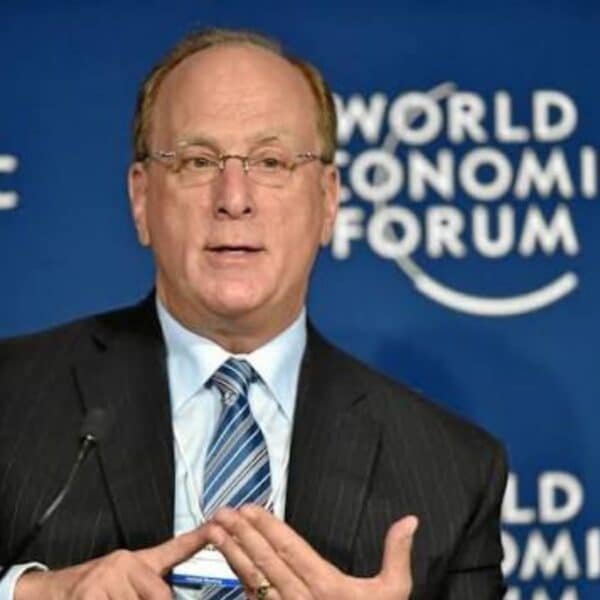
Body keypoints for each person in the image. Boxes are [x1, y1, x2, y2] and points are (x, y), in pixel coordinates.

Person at [0, 28, 508, 600]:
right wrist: (27, 594)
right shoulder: (11, 399)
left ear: (328, 200)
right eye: (198, 161)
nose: (234, 198)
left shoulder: (451, 471)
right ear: (142, 200)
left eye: (271, 161)